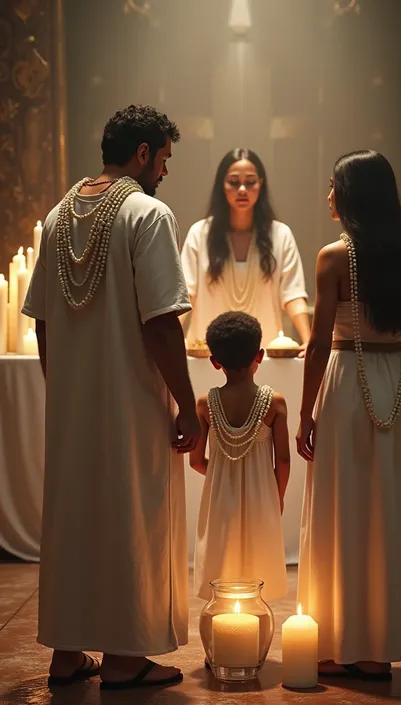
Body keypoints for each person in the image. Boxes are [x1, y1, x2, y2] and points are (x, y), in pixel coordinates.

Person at [22, 105, 200, 690]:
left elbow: (43, 321)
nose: (166, 172)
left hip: (74, 405)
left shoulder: (56, 215)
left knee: (76, 519)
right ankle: (126, 660)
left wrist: (66, 387)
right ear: (143, 153)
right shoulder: (147, 213)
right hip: (131, 405)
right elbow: (162, 322)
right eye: (165, 159)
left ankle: (67, 654)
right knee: (132, 518)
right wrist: (184, 400)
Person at [296, 151, 401, 680]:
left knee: (343, 509)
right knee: (388, 514)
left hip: (348, 383)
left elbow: (315, 345)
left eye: (334, 186)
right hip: (397, 385)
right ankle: (378, 648)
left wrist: (305, 413)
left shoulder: (334, 258)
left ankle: (339, 641)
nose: (328, 195)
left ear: (352, 195)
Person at [190, 311, 289, 603]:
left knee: (222, 559)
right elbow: (282, 460)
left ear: (214, 361)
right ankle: (254, 622)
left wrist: (223, 477)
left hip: (219, 500)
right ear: (259, 355)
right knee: (258, 560)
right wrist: (277, 495)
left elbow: (196, 461)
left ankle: (222, 624)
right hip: (262, 498)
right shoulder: (275, 403)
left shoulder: (205, 404)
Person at [181, 148, 310, 350]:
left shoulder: (280, 234)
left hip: (263, 353)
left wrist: (308, 340)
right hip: (206, 352)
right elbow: (185, 295)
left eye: (250, 182)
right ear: (222, 186)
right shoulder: (200, 234)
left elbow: (293, 294)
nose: (242, 189)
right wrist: (169, 341)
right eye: (234, 182)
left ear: (261, 184)